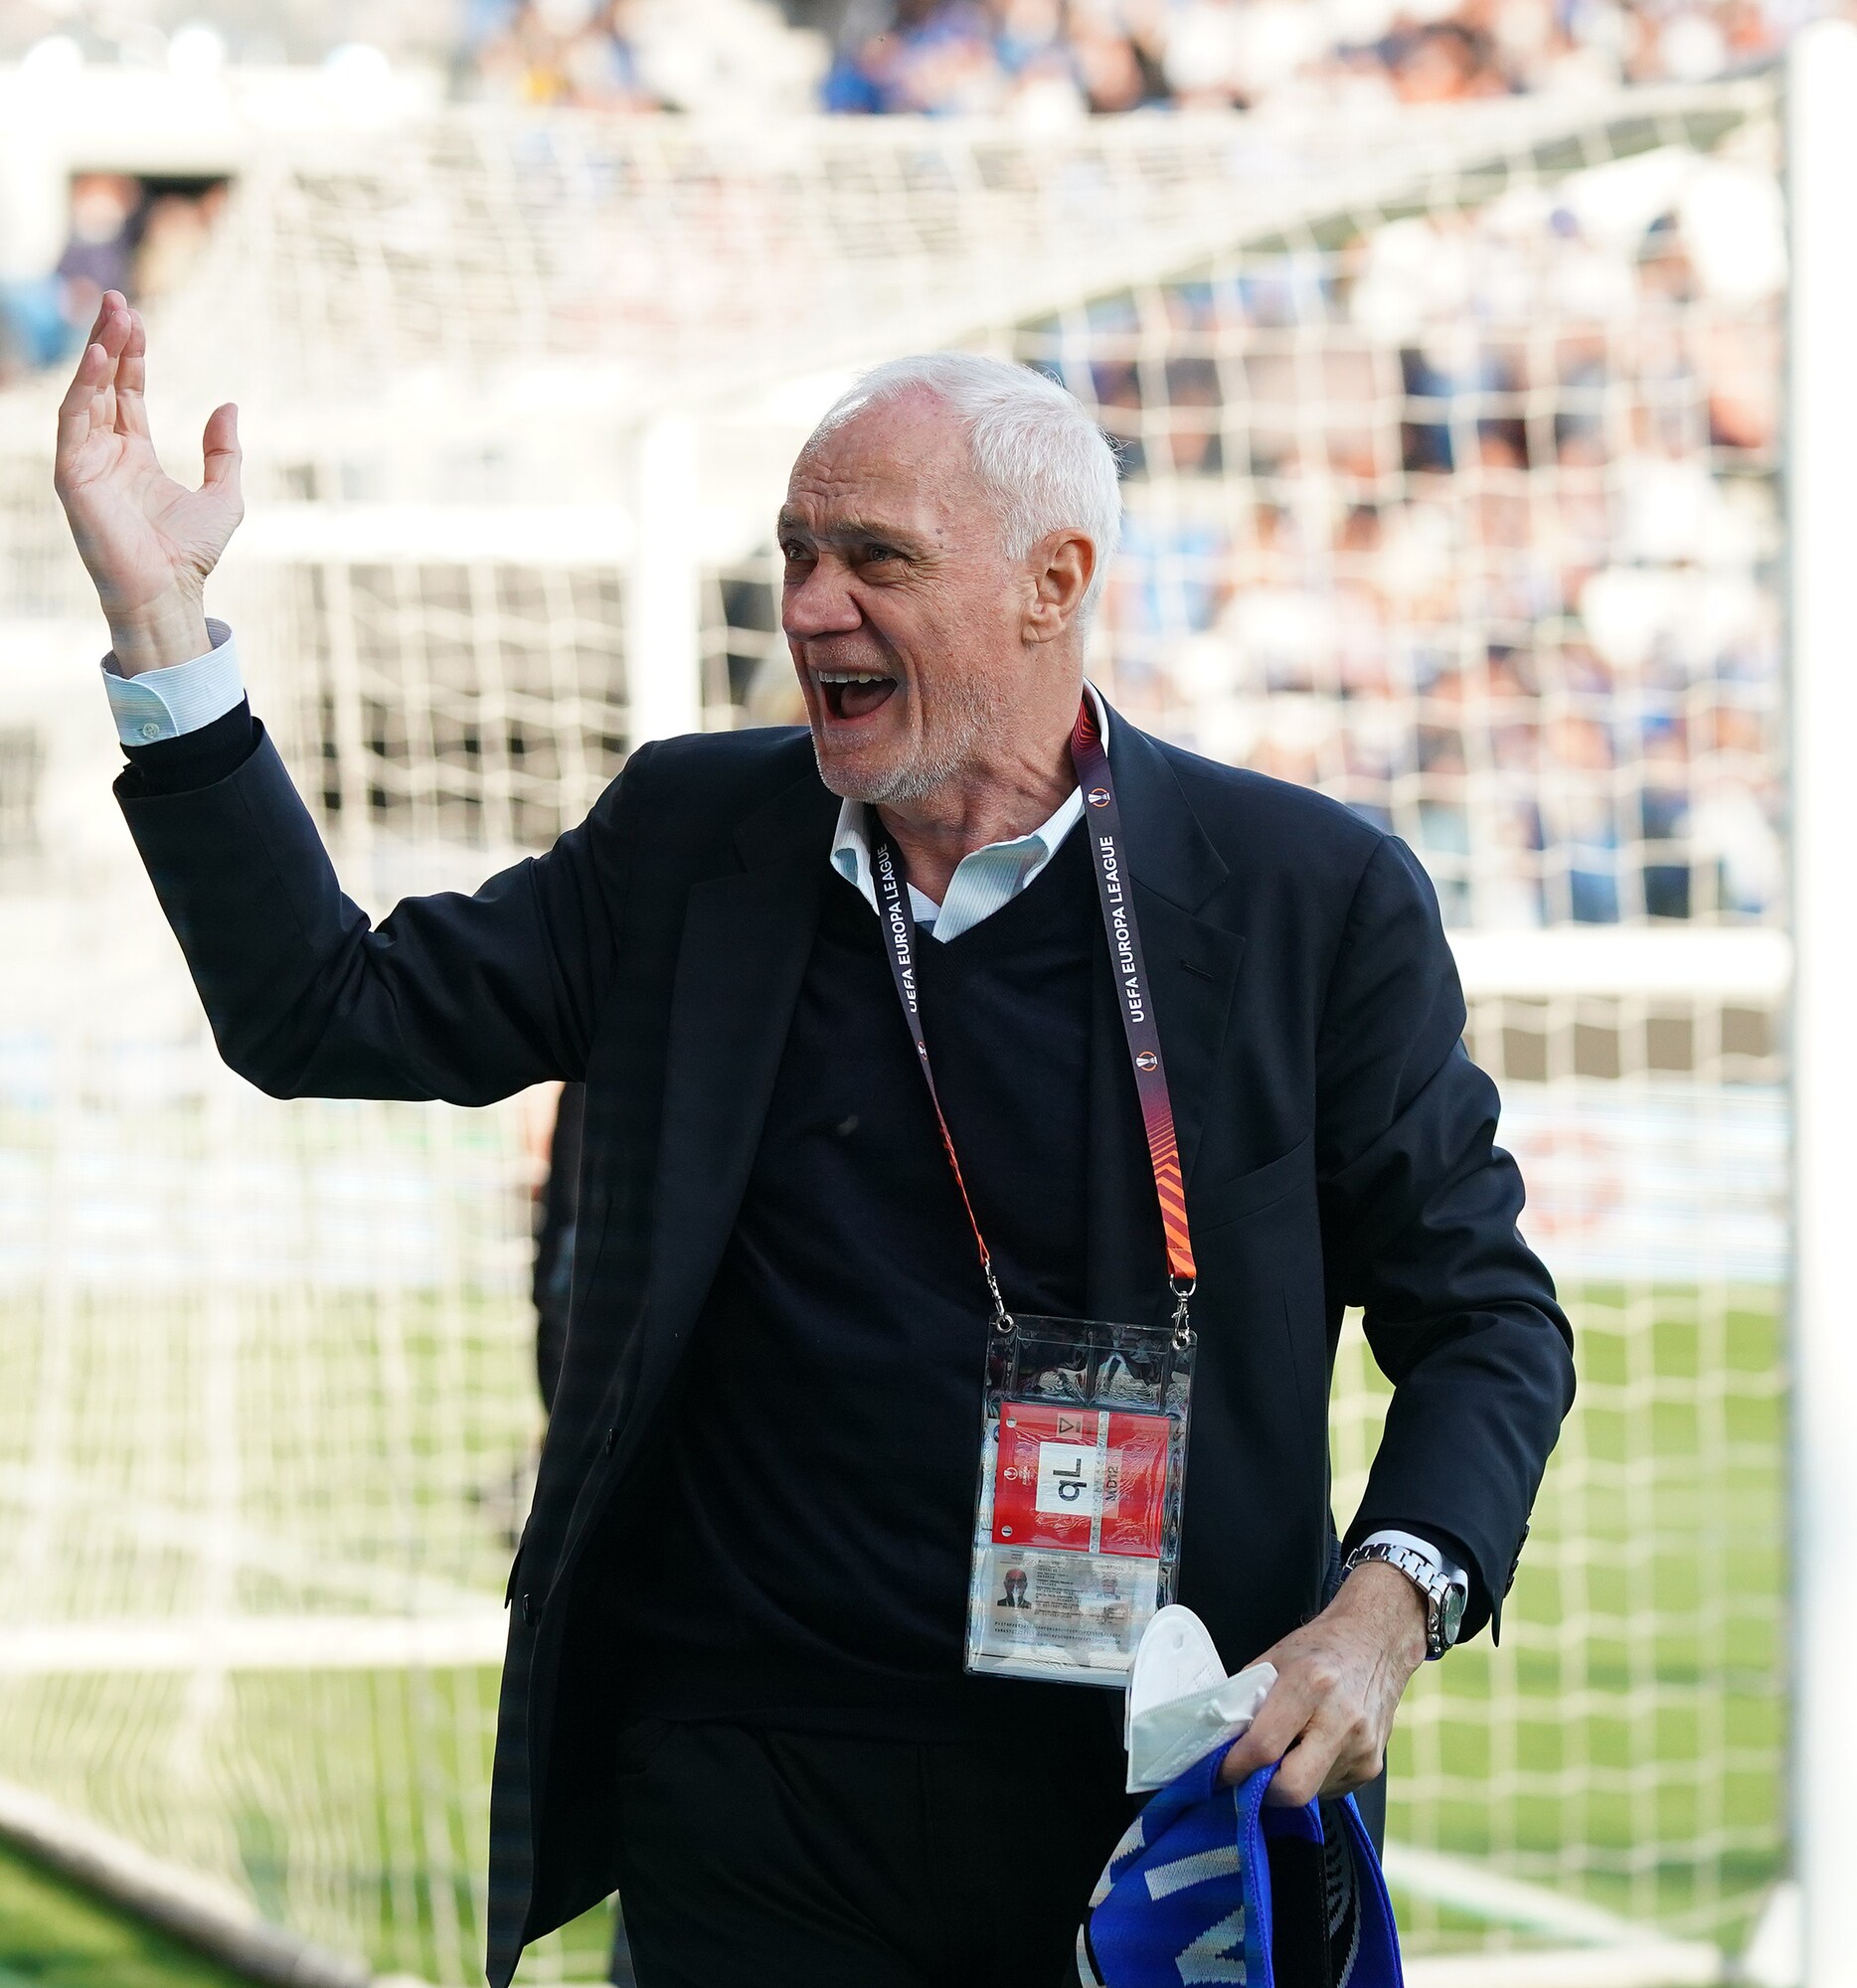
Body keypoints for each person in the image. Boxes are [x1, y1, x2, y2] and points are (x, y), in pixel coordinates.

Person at [54, 296, 1574, 1988]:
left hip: (1150, 1811)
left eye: (875, 558)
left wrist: (1384, 1612)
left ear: (1053, 583)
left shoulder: (1308, 898)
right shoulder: (687, 840)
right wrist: (160, 625)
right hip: (748, 1803)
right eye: (794, 552)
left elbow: (1486, 1321)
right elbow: (320, 1009)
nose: (808, 605)